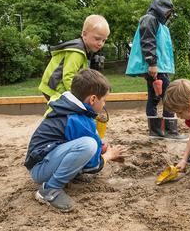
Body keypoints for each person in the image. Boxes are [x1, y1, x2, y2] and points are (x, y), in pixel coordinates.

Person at [25, 69, 128, 212]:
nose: (104, 104)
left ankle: (66, 177)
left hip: (44, 160)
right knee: (88, 145)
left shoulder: (71, 108)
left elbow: (75, 140)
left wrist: (103, 149)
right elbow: (93, 166)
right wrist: (109, 155)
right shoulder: (76, 118)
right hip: (41, 168)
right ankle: (50, 190)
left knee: (89, 145)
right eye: (104, 100)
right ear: (92, 99)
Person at [126, 0, 185, 140]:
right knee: (169, 96)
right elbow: (148, 41)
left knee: (154, 98)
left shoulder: (160, 24)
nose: (169, 14)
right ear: (160, 8)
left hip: (159, 67)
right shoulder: (149, 19)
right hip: (155, 67)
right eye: (167, 11)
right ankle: (170, 132)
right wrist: (152, 63)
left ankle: (156, 131)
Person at [39, 15, 110, 101]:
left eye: (103, 40)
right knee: (64, 110)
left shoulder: (85, 51)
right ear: (84, 34)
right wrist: (78, 97)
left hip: (59, 87)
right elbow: (68, 76)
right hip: (54, 87)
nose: (100, 43)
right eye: (97, 39)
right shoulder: (77, 52)